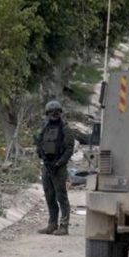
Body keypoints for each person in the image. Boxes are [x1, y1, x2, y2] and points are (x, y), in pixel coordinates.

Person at [35, 100, 75, 236]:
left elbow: (69, 149)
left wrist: (59, 163)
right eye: (51, 112)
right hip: (47, 166)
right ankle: (52, 224)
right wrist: (42, 156)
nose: (54, 114)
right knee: (49, 196)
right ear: (47, 114)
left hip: (59, 167)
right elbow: (39, 142)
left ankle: (64, 226)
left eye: (56, 111)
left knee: (61, 196)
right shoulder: (44, 128)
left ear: (60, 113)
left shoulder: (65, 129)